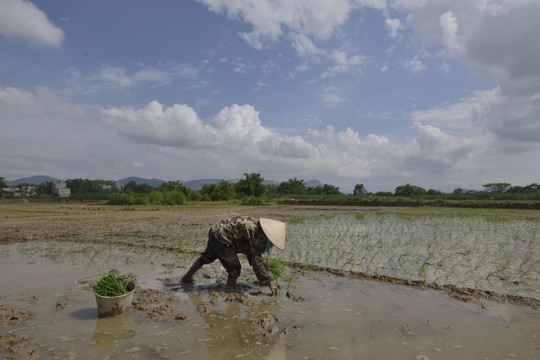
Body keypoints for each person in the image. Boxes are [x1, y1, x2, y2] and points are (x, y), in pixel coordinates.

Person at [181, 216, 286, 295]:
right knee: (234, 268)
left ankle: (186, 278)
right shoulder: (258, 235)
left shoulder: (257, 227)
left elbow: (252, 253)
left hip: (215, 231)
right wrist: (269, 281)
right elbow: (256, 261)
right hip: (222, 237)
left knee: (207, 257)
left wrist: (262, 266)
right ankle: (230, 291)